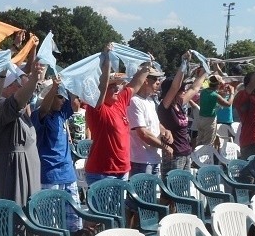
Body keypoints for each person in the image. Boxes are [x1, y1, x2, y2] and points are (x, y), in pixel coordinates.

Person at [84, 46, 151, 185]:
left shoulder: (119, 102)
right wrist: (107, 59)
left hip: (122, 171)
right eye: (112, 86)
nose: (117, 89)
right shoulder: (96, 107)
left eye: (118, 86)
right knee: (105, 208)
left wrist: (146, 65)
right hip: (102, 173)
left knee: (118, 208)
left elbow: (135, 84)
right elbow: (102, 85)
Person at [0, 61, 44, 205]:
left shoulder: (22, 111)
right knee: (14, 216)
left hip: (29, 170)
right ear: (6, 87)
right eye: (18, 85)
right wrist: (33, 79)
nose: (21, 88)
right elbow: (17, 101)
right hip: (12, 172)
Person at [31, 75, 83, 232]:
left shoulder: (62, 114)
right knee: (51, 222)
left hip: (68, 174)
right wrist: (54, 87)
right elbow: (44, 109)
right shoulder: (39, 116)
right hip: (50, 175)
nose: (62, 101)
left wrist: (72, 80)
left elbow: (75, 104)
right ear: (50, 97)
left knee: (74, 222)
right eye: (59, 97)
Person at [158, 65, 206, 177]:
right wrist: (184, 64)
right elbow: (174, 86)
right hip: (174, 155)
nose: (184, 92)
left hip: (185, 152)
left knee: (184, 189)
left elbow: (194, 88)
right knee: (173, 190)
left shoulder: (179, 104)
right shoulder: (165, 107)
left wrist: (204, 72)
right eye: (181, 90)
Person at [128, 65, 173, 177]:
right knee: (142, 194)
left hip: (154, 158)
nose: (158, 83)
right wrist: (165, 146)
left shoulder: (150, 101)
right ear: (145, 81)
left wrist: (165, 131)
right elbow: (143, 133)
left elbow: (155, 123)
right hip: (141, 160)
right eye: (155, 79)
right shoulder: (134, 101)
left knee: (152, 194)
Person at [195, 74, 231, 147]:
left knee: (200, 141)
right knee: (208, 144)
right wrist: (232, 93)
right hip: (209, 120)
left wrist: (220, 92)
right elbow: (228, 104)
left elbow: (212, 94)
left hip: (201, 119)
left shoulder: (204, 91)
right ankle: (206, 157)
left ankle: (196, 156)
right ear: (218, 84)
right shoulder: (215, 95)